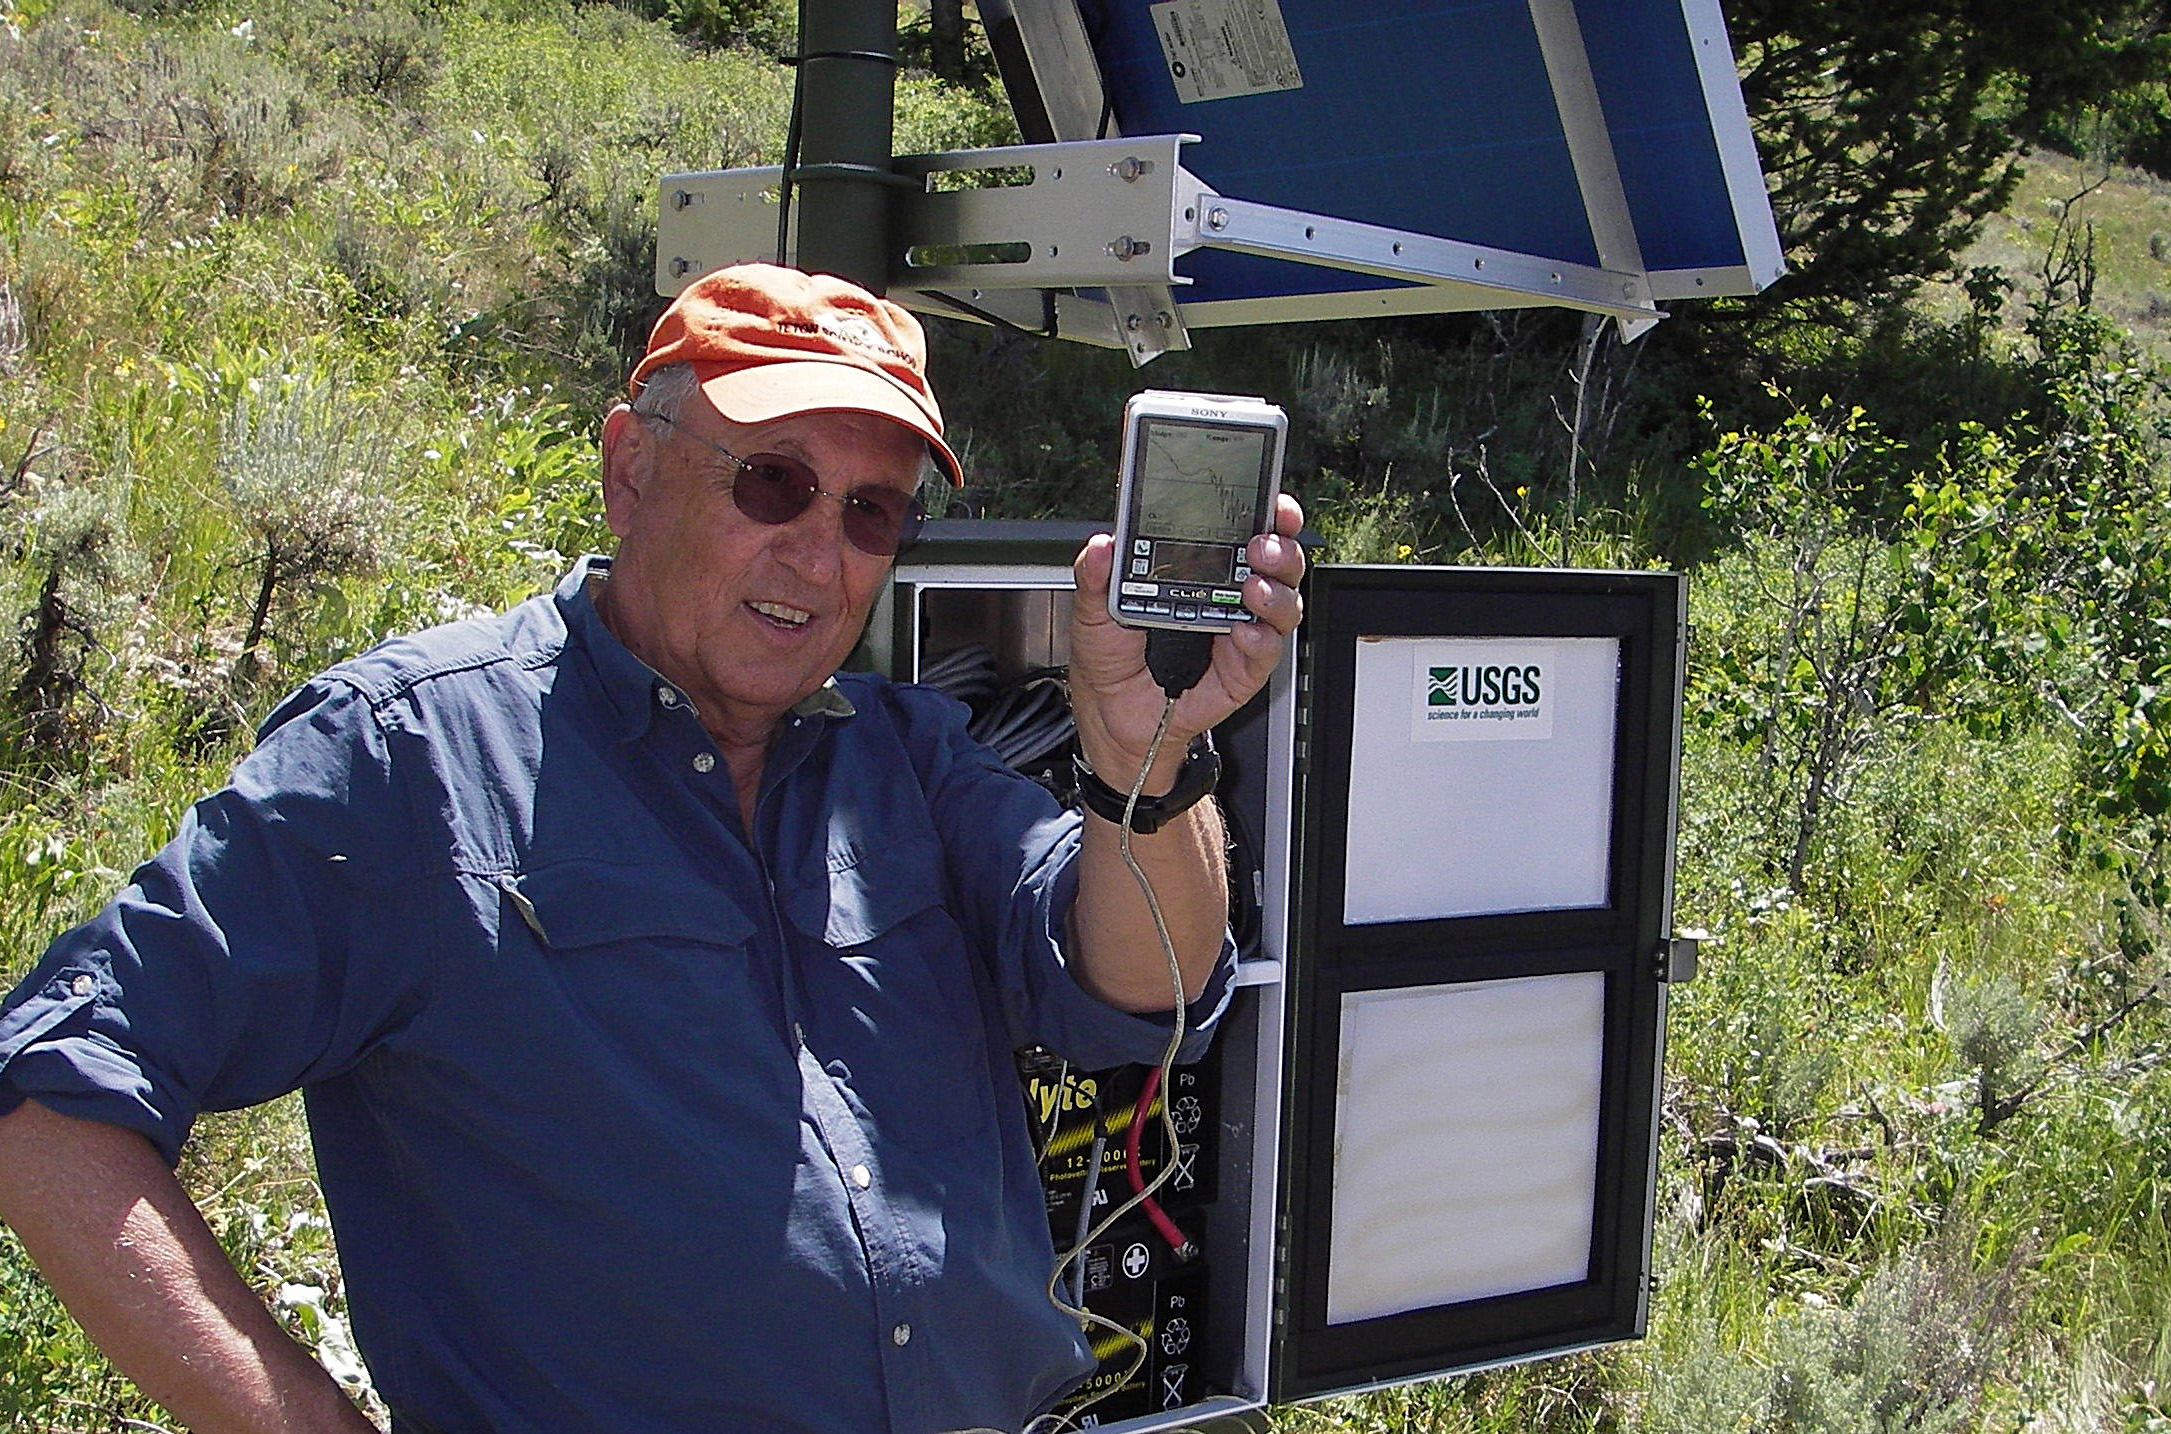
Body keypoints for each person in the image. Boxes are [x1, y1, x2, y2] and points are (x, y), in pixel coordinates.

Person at [0, 263, 1307, 1434]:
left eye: (871, 513)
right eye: (774, 481)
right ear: (631, 466)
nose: (820, 551)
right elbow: (52, 1104)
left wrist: (1146, 755)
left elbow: (1148, 990)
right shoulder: (411, 757)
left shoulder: (902, 754)